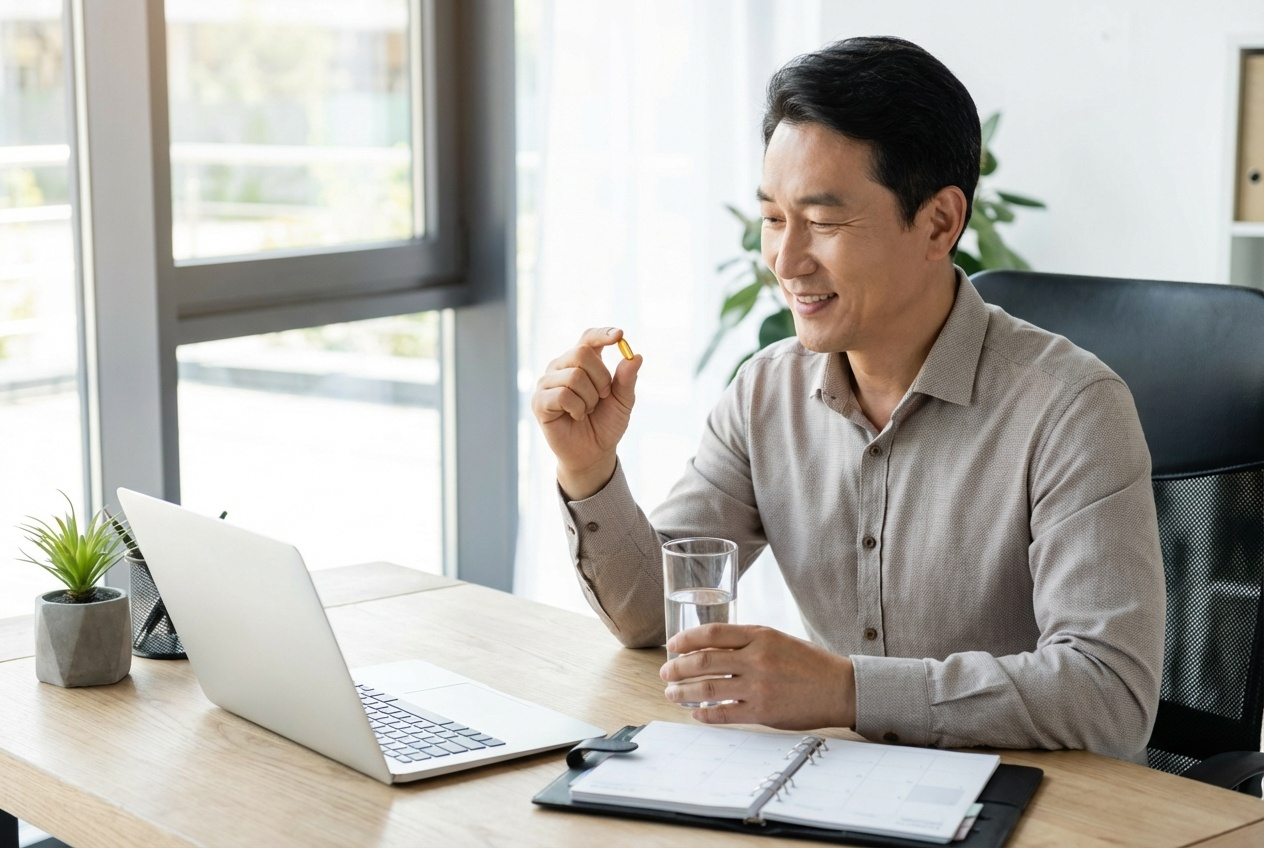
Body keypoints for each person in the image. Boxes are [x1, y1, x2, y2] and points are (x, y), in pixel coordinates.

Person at [530, 36, 1165, 761]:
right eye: (774, 218)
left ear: (938, 223)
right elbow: (656, 619)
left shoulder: (1073, 410)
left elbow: (1108, 696)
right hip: (849, 790)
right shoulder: (766, 392)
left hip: (1043, 808)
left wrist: (845, 692)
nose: (786, 260)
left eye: (824, 222)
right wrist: (588, 471)